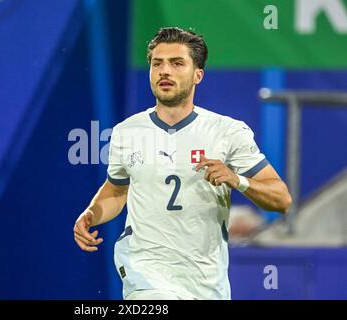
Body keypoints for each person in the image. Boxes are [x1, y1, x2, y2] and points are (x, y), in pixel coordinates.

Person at [73, 27, 292, 300]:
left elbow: (281, 199)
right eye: (157, 63)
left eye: (177, 63)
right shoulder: (126, 133)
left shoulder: (228, 132)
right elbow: (117, 190)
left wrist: (238, 181)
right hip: (146, 276)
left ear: (197, 74)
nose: (165, 71)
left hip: (206, 283)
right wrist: (91, 214)